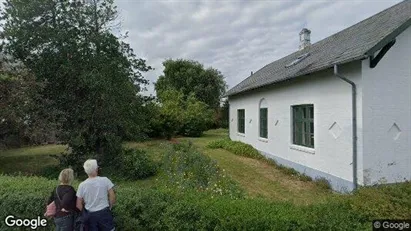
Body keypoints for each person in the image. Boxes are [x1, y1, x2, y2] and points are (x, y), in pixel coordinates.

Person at [76, 159, 116, 231]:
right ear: (96, 169)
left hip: (90, 216)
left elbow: (78, 205)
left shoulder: (82, 185)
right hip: (104, 213)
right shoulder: (105, 180)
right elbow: (112, 197)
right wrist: (110, 207)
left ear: (86, 171)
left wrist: (85, 213)